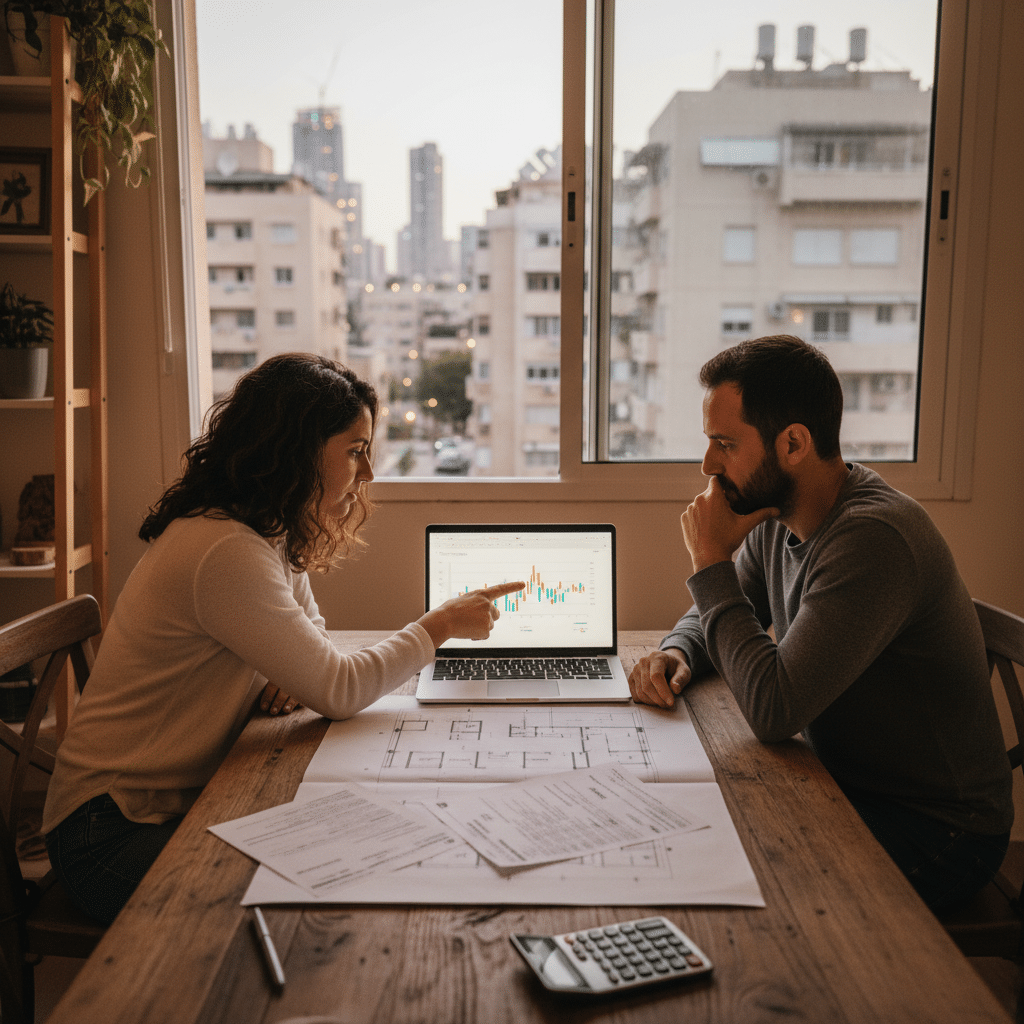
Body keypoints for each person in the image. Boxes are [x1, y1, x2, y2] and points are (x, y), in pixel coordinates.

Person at [43, 353, 524, 924]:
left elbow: (313, 638)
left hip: (165, 805)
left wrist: (289, 668)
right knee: (316, 887)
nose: (367, 473)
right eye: (355, 450)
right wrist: (439, 625)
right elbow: (339, 688)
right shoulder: (224, 550)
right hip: (107, 834)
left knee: (340, 849)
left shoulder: (261, 528)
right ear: (297, 449)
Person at [628, 335, 1012, 911]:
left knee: (731, 873)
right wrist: (681, 648)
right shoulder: (776, 517)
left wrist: (709, 563)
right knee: (695, 825)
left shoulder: (871, 538)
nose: (708, 465)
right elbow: (735, 607)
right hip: (843, 781)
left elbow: (774, 711)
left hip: (939, 828)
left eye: (725, 444)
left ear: (793, 443)